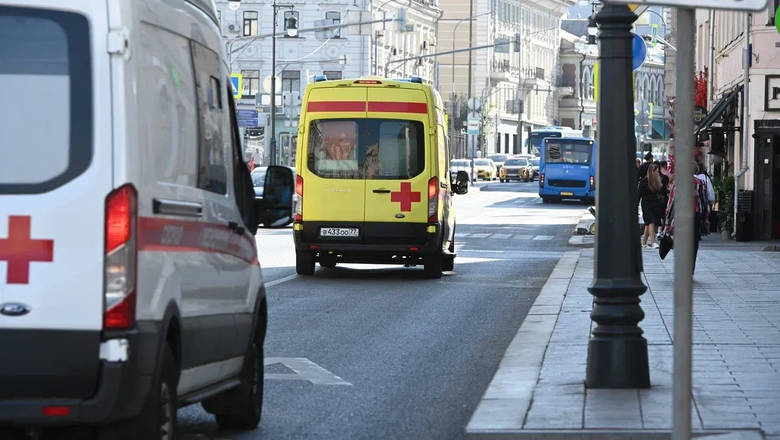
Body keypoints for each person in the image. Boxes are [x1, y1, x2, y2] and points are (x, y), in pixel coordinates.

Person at [663, 163, 710, 274]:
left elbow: (672, 202)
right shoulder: (699, 183)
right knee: (693, 243)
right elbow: (704, 201)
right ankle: (690, 268)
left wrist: (668, 221)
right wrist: (705, 218)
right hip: (695, 215)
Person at [637, 163, 665, 249]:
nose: (658, 173)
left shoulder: (656, 181)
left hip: (654, 204)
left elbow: (659, 192)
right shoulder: (644, 181)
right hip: (646, 204)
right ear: (652, 172)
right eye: (656, 171)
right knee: (651, 221)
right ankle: (653, 242)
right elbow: (639, 193)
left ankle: (644, 243)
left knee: (648, 224)